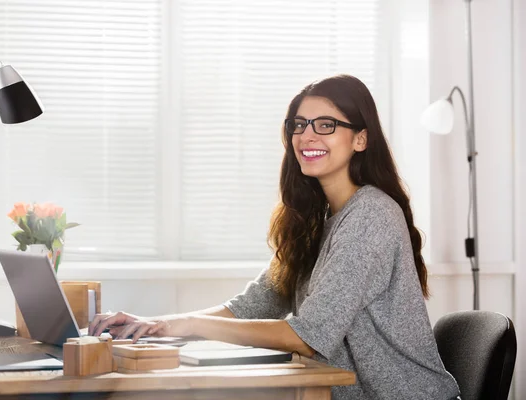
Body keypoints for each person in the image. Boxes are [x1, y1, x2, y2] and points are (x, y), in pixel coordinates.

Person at [89, 75, 461, 399]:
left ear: (360, 139)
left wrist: (188, 326)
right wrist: (155, 324)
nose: (306, 135)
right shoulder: (314, 220)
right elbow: (255, 305)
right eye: (299, 125)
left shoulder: (371, 214)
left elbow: (307, 335)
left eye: (326, 125)